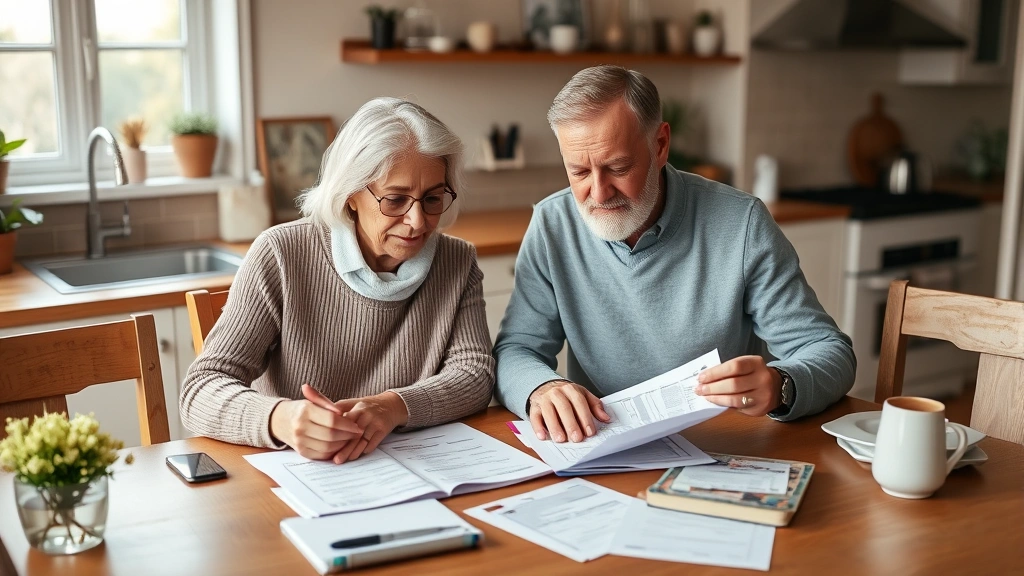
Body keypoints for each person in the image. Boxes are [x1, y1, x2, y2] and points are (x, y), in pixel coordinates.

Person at [494, 66, 856, 444]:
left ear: (660, 145)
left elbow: (830, 352)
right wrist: (541, 389)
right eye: (579, 172)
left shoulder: (741, 223)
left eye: (618, 167)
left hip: (723, 446)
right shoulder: (553, 224)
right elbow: (516, 349)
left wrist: (781, 385)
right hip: (604, 452)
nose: (598, 193)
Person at [181, 97, 494, 462]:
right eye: (395, 200)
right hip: (304, 472)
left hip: (411, 466)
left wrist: (394, 406)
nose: (418, 221)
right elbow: (200, 390)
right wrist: (282, 418)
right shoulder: (282, 253)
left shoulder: (457, 261)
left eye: (433, 198)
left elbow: (475, 375)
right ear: (350, 195)